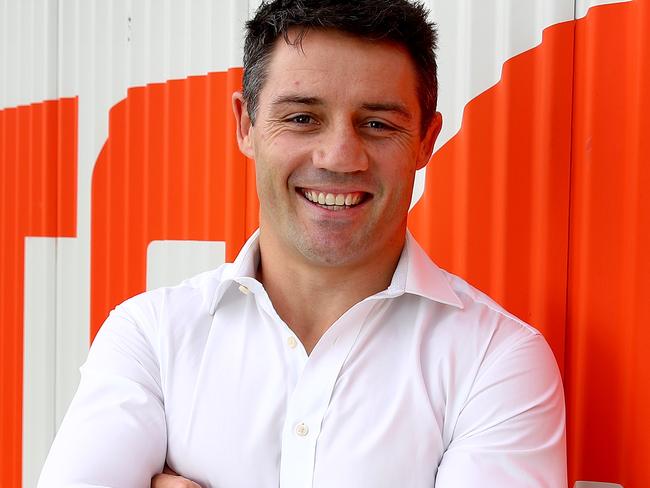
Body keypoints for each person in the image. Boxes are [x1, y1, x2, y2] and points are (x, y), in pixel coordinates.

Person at [38, 0, 567, 487]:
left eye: (378, 123)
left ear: (427, 140)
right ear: (246, 124)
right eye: (301, 118)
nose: (340, 156)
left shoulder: (496, 361)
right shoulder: (151, 337)